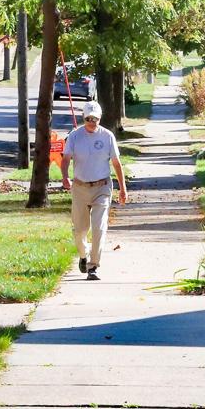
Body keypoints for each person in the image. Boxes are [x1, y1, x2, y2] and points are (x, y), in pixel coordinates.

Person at [61, 101, 127, 281]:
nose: (92, 122)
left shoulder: (107, 136)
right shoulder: (75, 136)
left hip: (102, 187)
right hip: (80, 187)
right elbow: (66, 159)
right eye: (88, 119)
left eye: (95, 119)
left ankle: (93, 266)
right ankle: (83, 255)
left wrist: (122, 188)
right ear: (83, 118)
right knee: (80, 230)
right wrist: (65, 176)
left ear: (100, 118)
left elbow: (116, 163)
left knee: (99, 228)